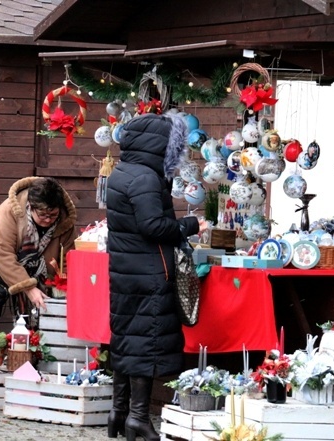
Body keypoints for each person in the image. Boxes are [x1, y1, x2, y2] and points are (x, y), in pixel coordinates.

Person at [106, 113, 207, 441]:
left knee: (126, 339)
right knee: (145, 343)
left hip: (126, 270)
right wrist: (193, 226)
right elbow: (153, 227)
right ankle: (138, 419)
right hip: (149, 271)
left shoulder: (122, 171)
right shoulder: (147, 178)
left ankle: (118, 412)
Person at [0, 177, 77, 330]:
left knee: (39, 326)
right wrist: (28, 287)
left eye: (53, 215)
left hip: (41, 276)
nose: (48, 220)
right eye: (42, 215)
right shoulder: (10, 210)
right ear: (30, 206)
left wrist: (63, 288)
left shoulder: (64, 220)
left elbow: (67, 259)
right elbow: (2, 253)